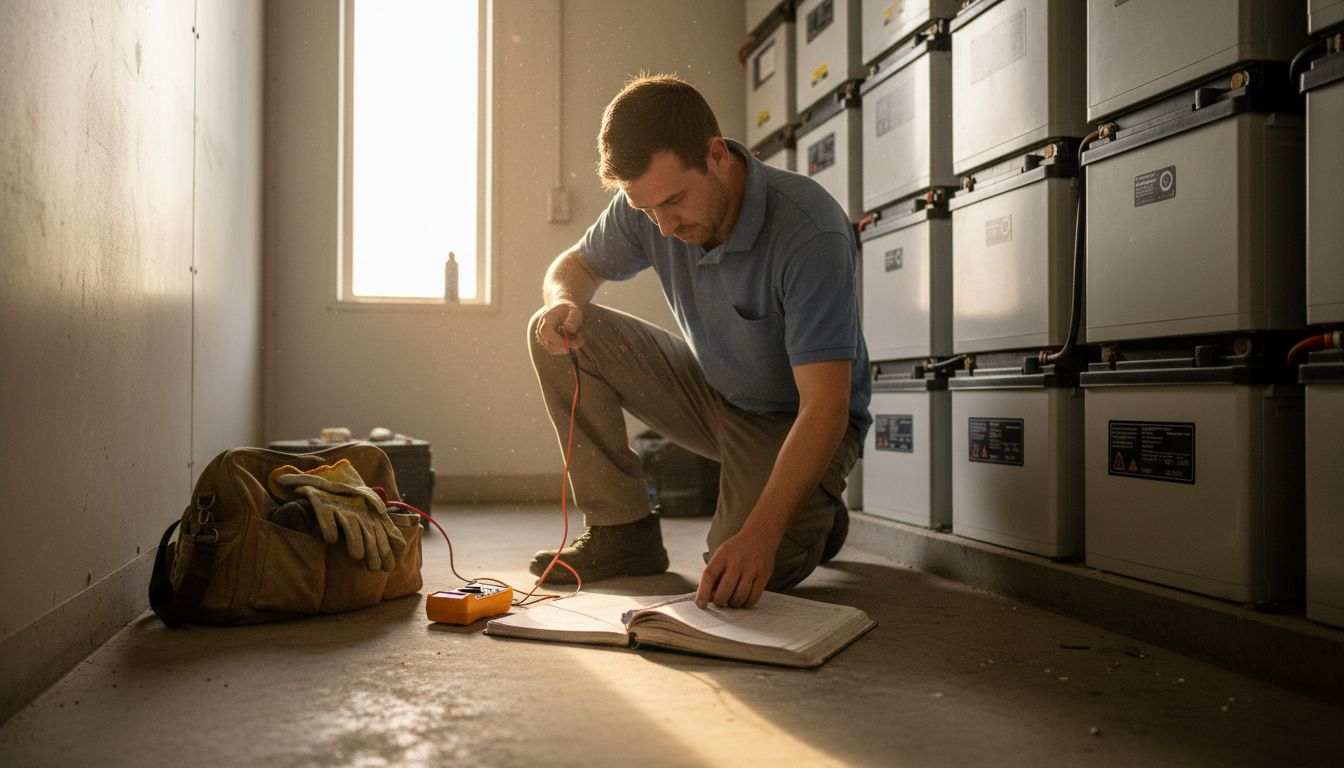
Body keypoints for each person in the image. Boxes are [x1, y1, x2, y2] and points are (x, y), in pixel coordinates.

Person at [528, 73, 871, 610]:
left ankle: (817, 513)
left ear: (716, 156)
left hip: (796, 420)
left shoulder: (811, 232)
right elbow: (571, 266)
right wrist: (562, 300)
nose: (662, 228)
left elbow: (826, 407)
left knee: (738, 573)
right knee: (562, 328)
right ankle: (624, 532)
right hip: (714, 396)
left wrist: (760, 537)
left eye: (673, 202)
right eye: (646, 211)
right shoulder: (648, 205)